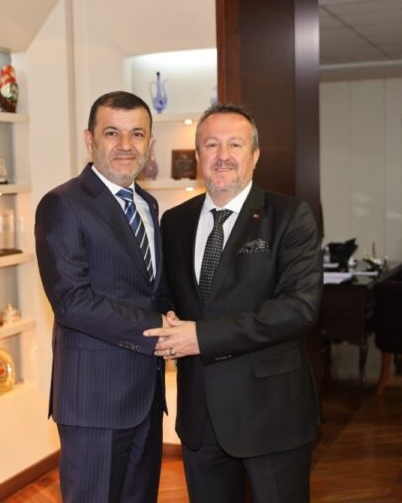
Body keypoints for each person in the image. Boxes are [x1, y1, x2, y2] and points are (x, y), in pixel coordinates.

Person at [145, 103, 322, 502]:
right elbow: (170, 295)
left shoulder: (290, 216)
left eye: (235, 144)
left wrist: (201, 337)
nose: (222, 155)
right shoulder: (175, 222)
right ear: (198, 155)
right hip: (200, 416)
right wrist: (168, 319)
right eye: (211, 145)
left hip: (271, 414)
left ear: (254, 155)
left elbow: (299, 308)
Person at [35, 91, 168, 502]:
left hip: (147, 398)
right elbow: (72, 302)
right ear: (89, 140)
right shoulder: (62, 204)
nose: (126, 145)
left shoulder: (148, 205)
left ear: (150, 144)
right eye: (112, 133)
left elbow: (147, 290)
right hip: (94, 402)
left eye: (137, 134)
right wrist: (160, 330)